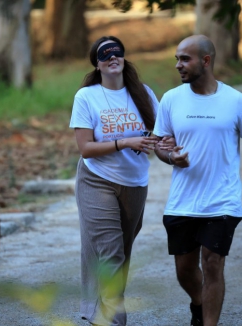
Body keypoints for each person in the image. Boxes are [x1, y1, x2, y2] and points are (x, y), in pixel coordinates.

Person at [153, 35, 242, 326]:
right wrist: (170, 157)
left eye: (184, 59)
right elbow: (159, 145)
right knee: (185, 271)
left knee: (212, 263)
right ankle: (198, 303)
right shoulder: (171, 99)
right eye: (177, 59)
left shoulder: (236, 102)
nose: (178, 65)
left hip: (222, 201)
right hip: (182, 201)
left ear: (206, 60)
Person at [69, 36, 160, 326]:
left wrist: (167, 149)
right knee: (111, 255)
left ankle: (98, 312)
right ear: (97, 63)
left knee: (120, 254)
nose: (112, 57)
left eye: (116, 52)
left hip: (135, 183)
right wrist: (124, 141)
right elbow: (86, 148)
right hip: (97, 180)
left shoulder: (143, 93)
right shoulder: (87, 97)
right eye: (105, 54)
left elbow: (158, 139)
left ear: (123, 57)